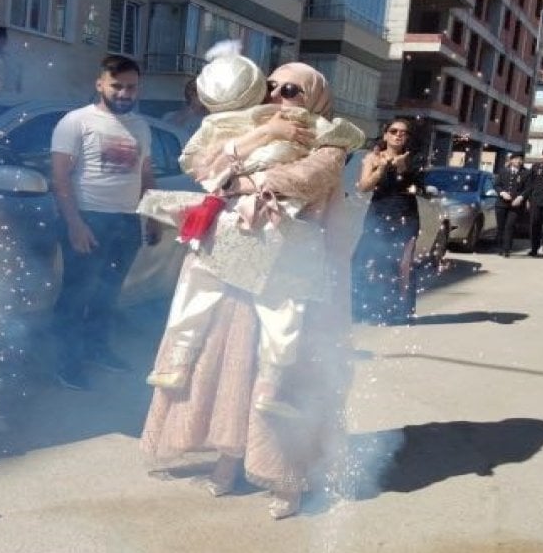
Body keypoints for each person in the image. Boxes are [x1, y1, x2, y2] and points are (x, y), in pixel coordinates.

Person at [141, 61, 357, 520]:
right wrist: (258, 138)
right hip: (236, 264)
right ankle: (228, 460)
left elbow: (311, 177)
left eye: (292, 90)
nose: (279, 95)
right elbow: (204, 166)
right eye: (271, 86)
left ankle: (285, 478)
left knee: (280, 376)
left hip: (293, 273)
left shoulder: (331, 136)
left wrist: (245, 182)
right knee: (228, 368)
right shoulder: (250, 126)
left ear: (314, 96)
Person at [49, 54, 159, 390]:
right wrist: (75, 224)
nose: (125, 93)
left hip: (126, 222)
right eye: (117, 86)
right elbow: (59, 176)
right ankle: (67, 362)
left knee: (108, 294)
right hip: (88, 219)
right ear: (100, 84)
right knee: (75, 295)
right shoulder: (76, 122)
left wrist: (152, 216)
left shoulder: (140, 126)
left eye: (131, 87)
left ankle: (98, 349)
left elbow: (146, 174)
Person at [352, 118, 423, 325]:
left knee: (401, 264)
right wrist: (381, 169)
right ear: (385, 135)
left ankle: (399, 311)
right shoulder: (373, 158)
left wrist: (402, 168)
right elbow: (363, 186)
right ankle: (367, 308)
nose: (398, 135)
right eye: (393, 131)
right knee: (368, 260)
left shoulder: (413, 158)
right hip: (379, 213)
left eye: (403, 132)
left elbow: (419, 186)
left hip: (406, 214)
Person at [493, 154, 527, 257]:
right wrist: (502, 193)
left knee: (510, 226)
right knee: (501, 226)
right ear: (511, 160)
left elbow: (528, 187)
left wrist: (521, 197)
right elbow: (496, 185)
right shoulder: (503, 171)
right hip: (502, 203)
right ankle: (500, 247)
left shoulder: (525, 173)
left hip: (515, 204)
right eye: (516, 159)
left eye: (520, 159)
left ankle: (507, 249)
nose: (518, 161)